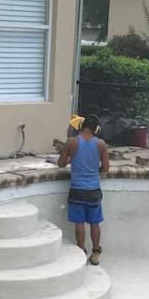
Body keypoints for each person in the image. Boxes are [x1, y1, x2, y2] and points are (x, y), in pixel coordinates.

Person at [58, 114, 109, 266]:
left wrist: (70, 159)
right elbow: (105, 168)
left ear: (81, 126)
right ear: (96, 129)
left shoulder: (72, 142)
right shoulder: (101, 144)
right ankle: (96, 253)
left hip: (77, 189)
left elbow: (60, 163)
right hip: (93, 189)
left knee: (79, 223)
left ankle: (81, 251)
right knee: (94, 222)